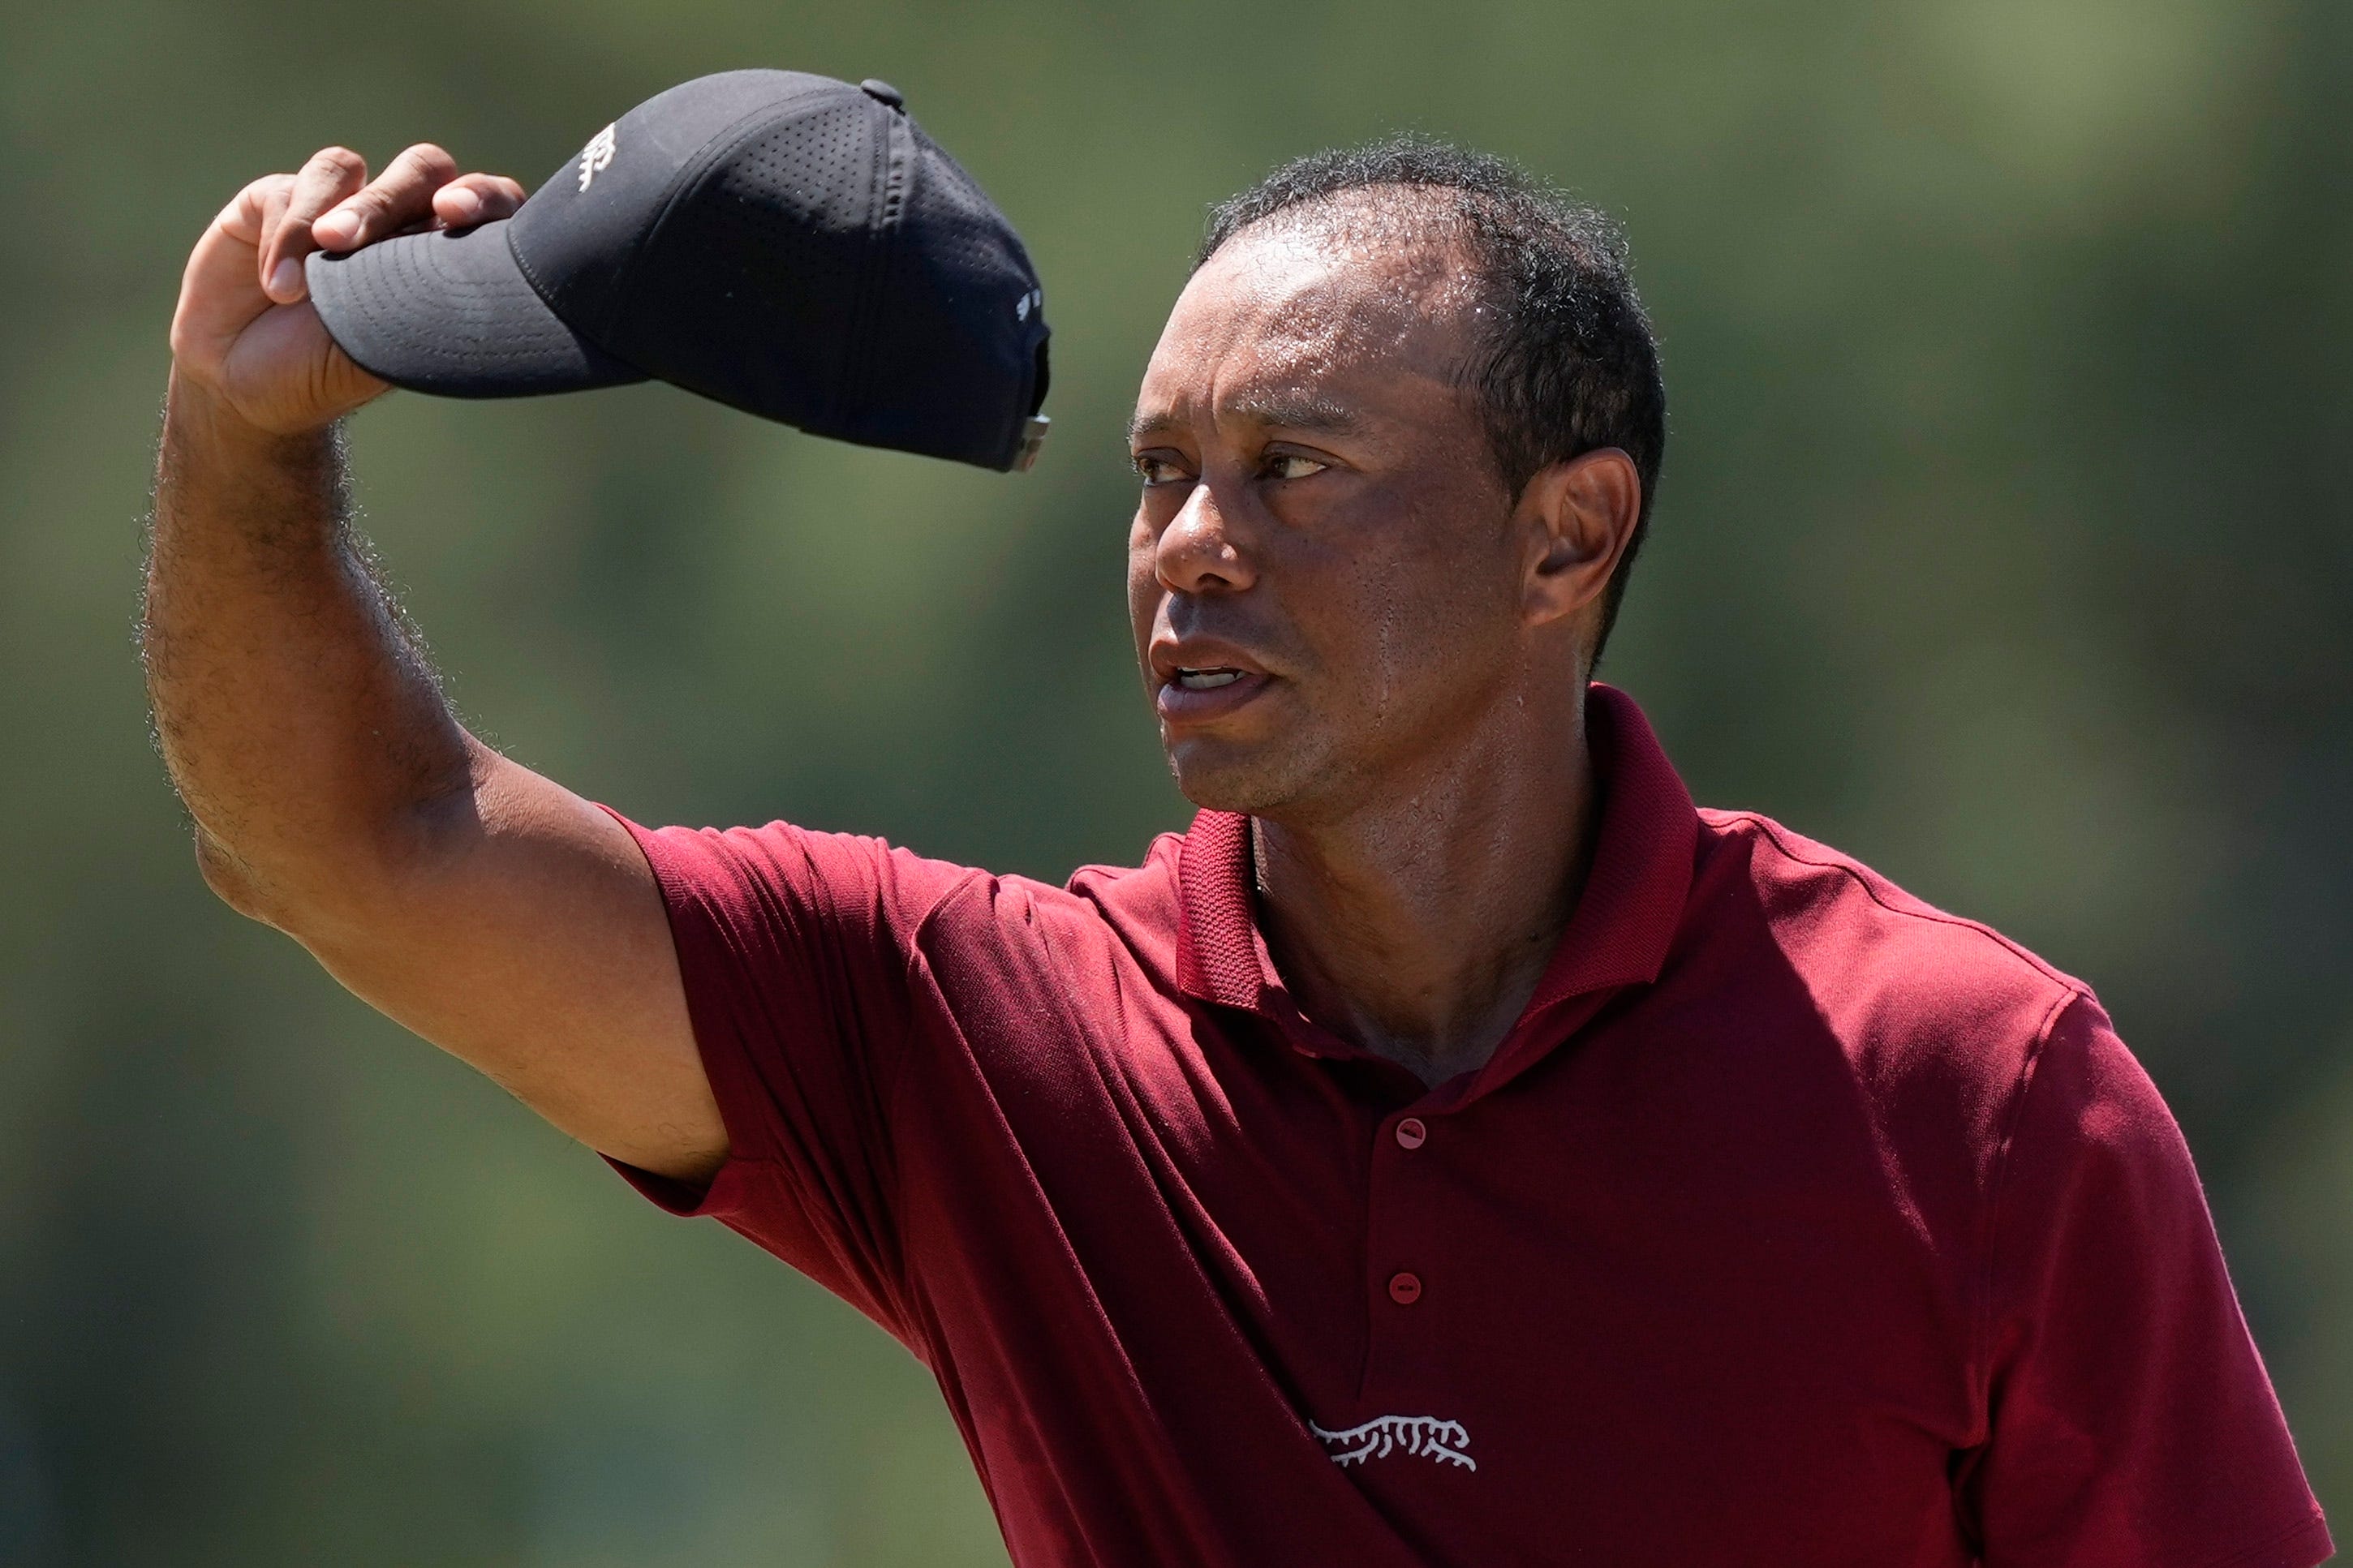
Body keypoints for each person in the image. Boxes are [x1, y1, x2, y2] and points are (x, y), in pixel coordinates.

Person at [148, 125, 2329, 1567]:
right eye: (1158, 473)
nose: (1191, 547)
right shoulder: (974, 1038)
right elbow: (358, 844)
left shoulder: (1970, 1089)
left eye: (1294, 467)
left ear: (1567, 537)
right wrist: (242, 434)